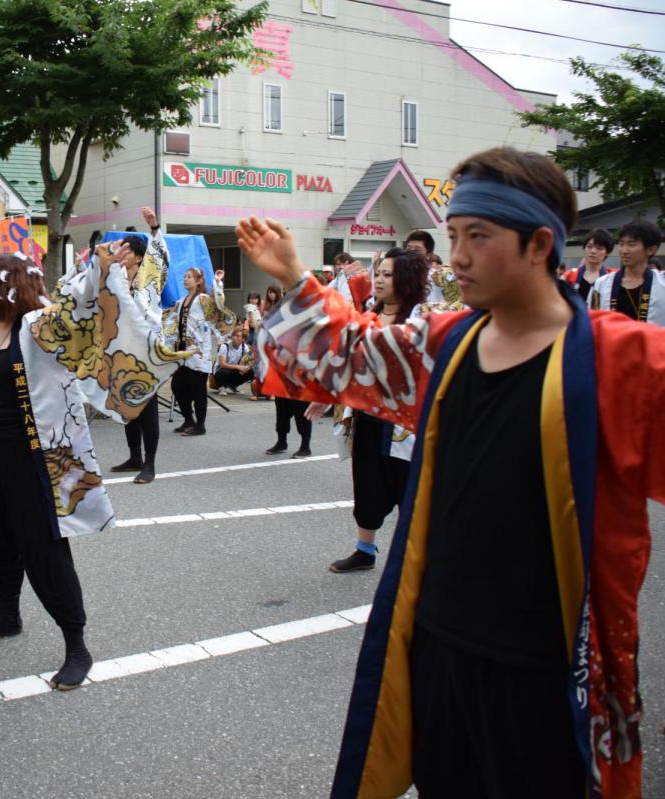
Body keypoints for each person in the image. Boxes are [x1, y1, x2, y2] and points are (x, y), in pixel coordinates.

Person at [237, 147, 665, 798]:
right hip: (437, 641)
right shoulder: (447, 340)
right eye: (454, 236)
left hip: (548, 663)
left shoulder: (625, 360)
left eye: (478, 237)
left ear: (540, 244)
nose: (456, 256)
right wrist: (297, 274)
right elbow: (354, 351)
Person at [0, 243, 186, 691]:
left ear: (8, 286)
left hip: (32, 459)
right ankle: (9, 614)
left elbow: (79, 306)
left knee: (44, 550)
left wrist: (98, 267)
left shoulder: (39, 326)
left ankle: (77, 645)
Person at [322, 248, 427, 573]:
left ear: (406, 279)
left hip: (407, 421)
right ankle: (364, 549)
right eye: (377, 273)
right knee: (367, 482)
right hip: (368, 415)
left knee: (410, 487)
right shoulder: (368, 313)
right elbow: (351, 359)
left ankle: (418, 558)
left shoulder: (424, 316)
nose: (379, 279)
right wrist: (325, 396)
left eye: (387, 274)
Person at [108, 207, 171, 485]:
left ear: (137, 255)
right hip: (124, 347)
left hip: (147, 347)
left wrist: (154, 227)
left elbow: (161, 257)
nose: (121, 255)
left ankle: (150, 463)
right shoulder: (118, 278)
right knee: (126, 403)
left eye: (125, 251)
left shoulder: (150, 276)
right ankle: (134, 456)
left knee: (146, 404)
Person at [163, 266, 234, 436]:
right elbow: (169, 318)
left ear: (199, 281)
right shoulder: (181, 301)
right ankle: (188, 419)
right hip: (182, 352)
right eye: (185, 276)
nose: (186, 279)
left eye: (189, 277)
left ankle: (200, 425)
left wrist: (217, 283)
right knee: (177, 386)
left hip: (199, 352)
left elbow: (218, 303)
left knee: (198, 390)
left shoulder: (203, 299)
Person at [588, 219, 664, 324]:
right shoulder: (601, 284)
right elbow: (592, 322)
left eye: (631, 245)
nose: (624, 250)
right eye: (621, 244)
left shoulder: (662, 285)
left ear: (651, 250)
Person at [562, 229, 613, 303]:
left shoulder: (612, 277)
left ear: (608, 252)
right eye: (589, 246)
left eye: (599, 248)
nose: (593, 251)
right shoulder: (568, 276)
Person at [212, 328, 253, 395]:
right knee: (224, 371)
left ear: (243, 339)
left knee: (250, 372)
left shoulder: (244, 347)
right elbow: (222, 364)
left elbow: (248, 361)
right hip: (220, 371)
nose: (234, 338)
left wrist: (246, 367)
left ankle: (233, 385)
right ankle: (221, 386)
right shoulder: (225, 346)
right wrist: (238, 367)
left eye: (237, 336)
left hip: (233, 370)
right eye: (233, 335)